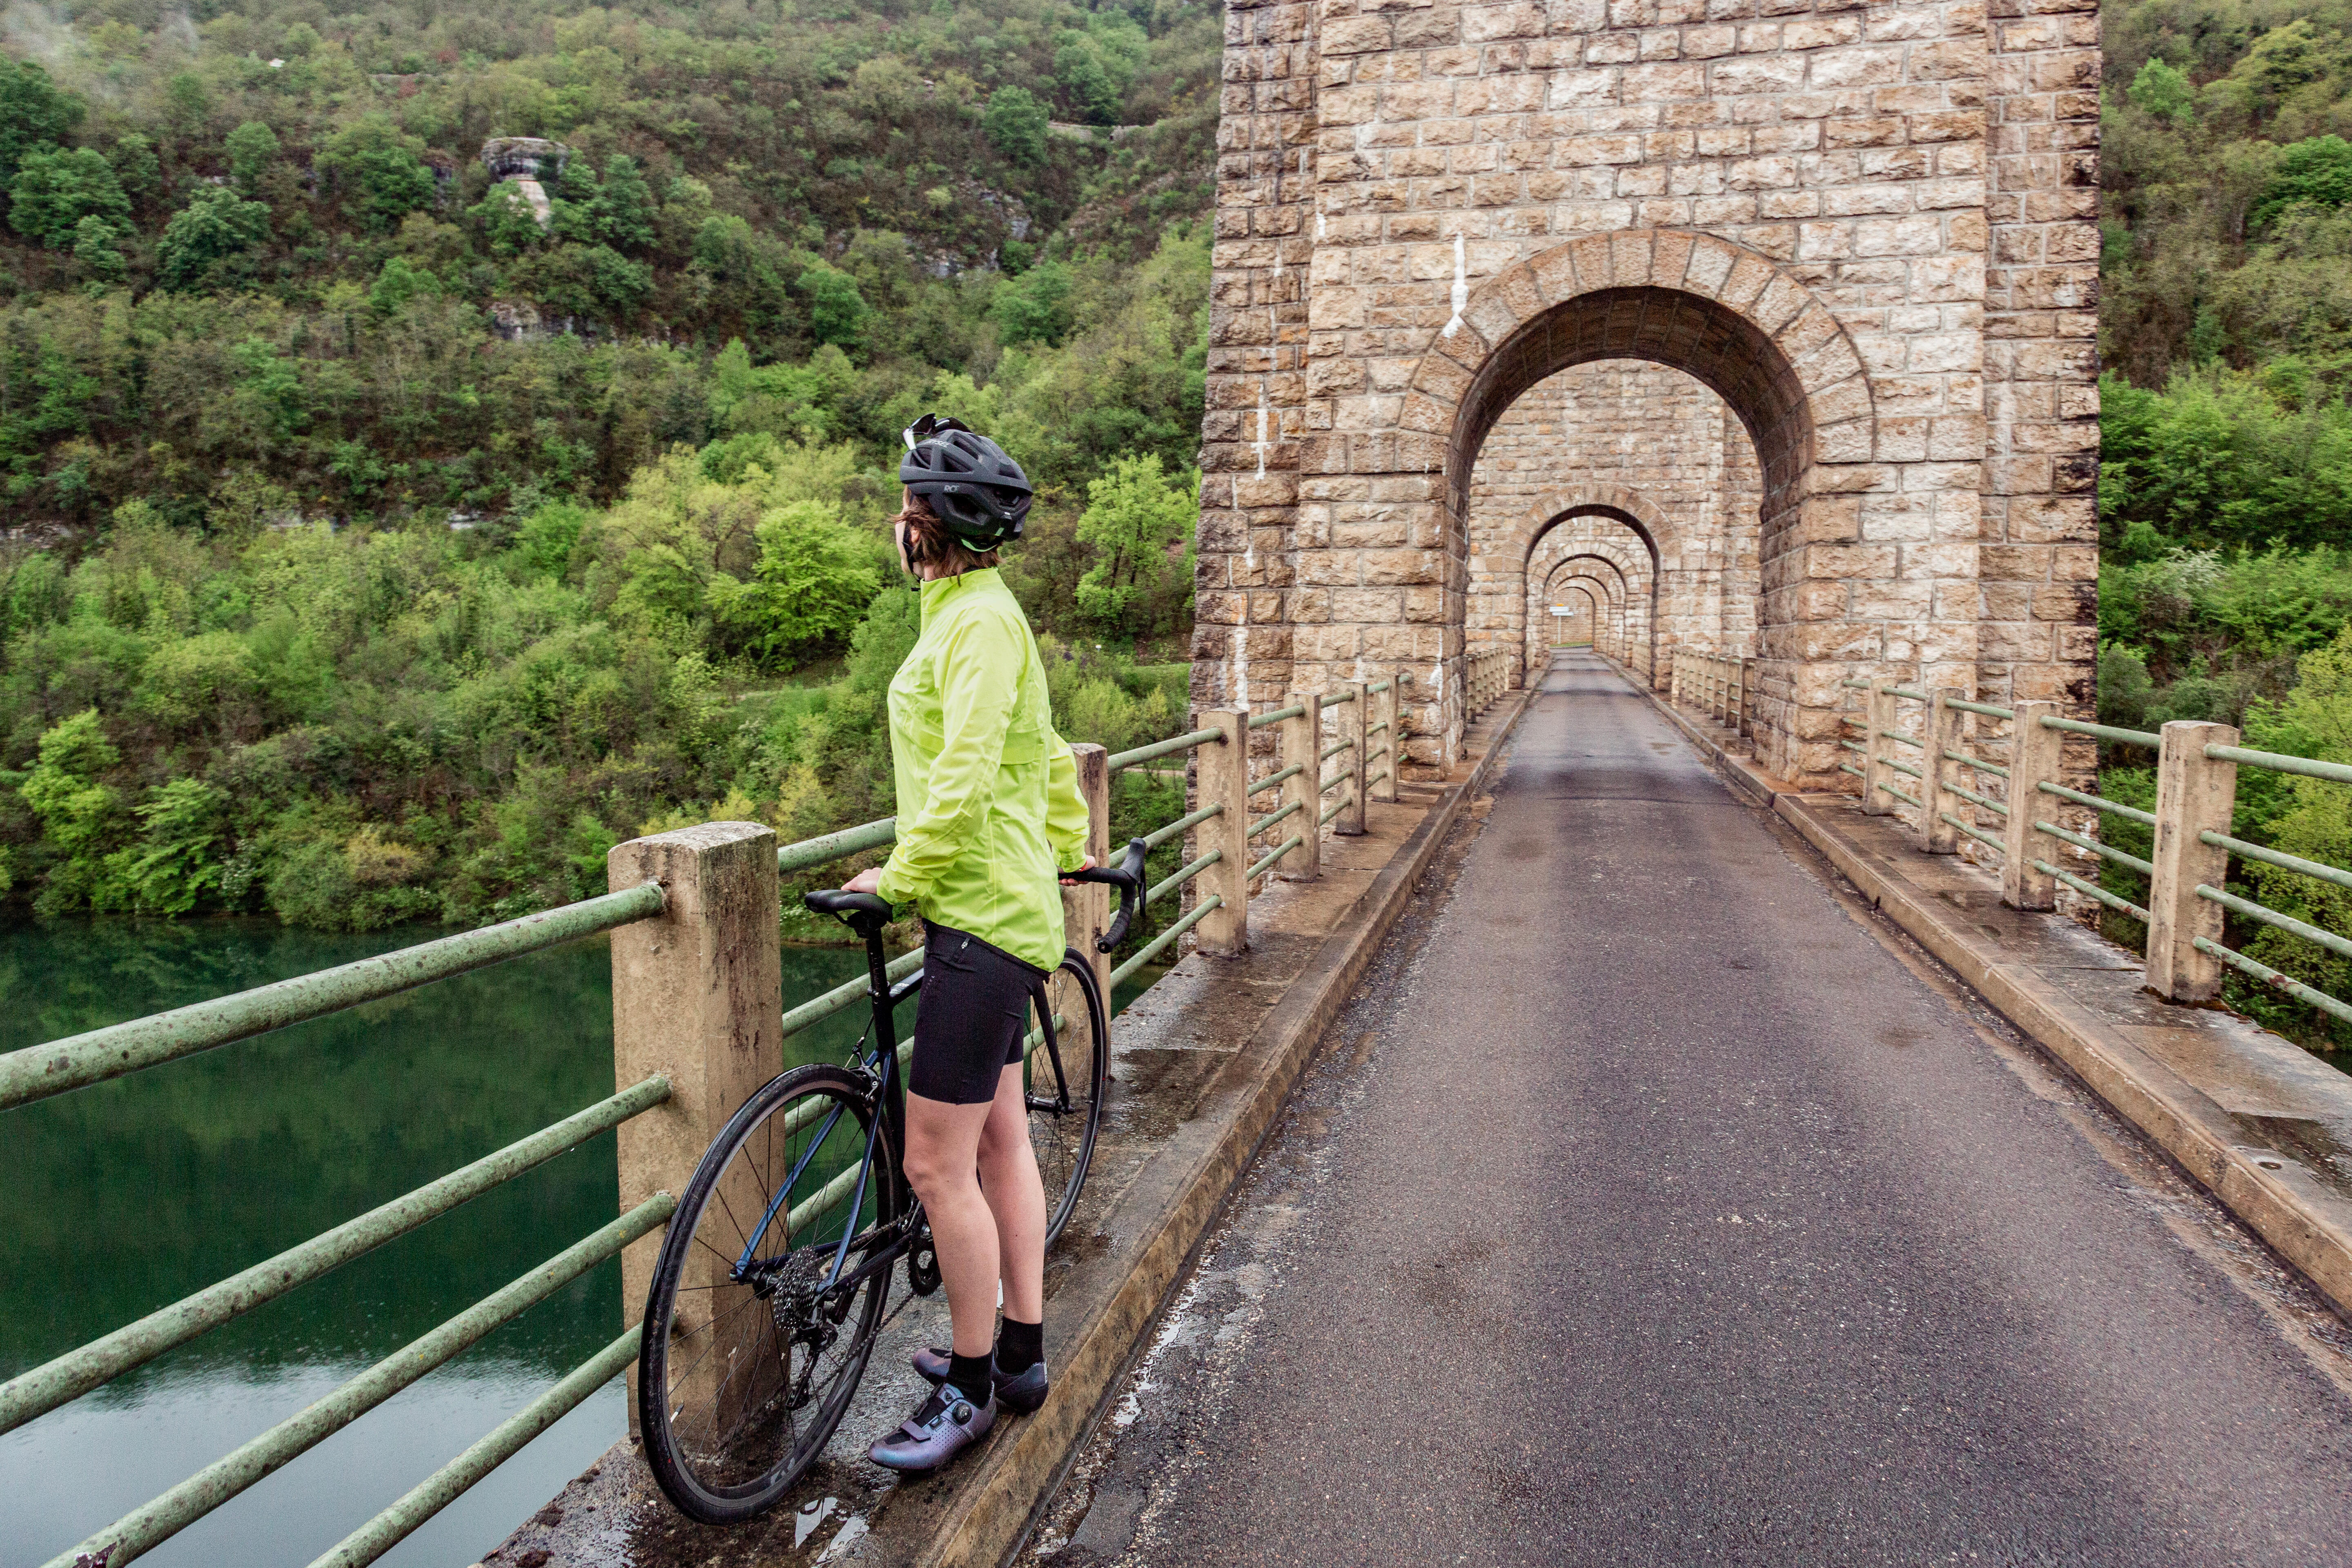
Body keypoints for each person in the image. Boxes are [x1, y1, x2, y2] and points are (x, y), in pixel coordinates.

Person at [837, 414, 1094, 1472]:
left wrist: (897, 879)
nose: (897, 526)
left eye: (903, 510)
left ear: (923, 526)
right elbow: (1042, 762)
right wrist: (1070, 851)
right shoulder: (970, 615)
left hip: (977, 926)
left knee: (939, 1166)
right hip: (1001, 912)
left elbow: (976, 769)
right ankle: (1021, 1356)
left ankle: (976, 1388)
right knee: (998, 1144)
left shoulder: (978, 626)